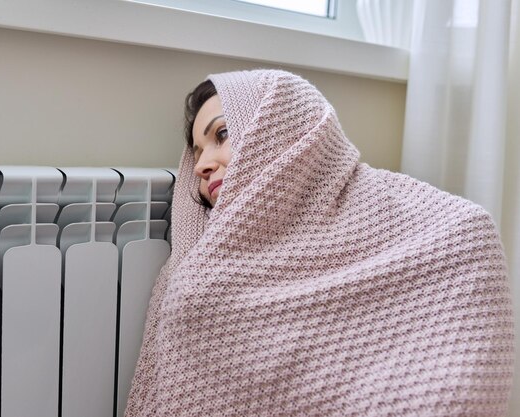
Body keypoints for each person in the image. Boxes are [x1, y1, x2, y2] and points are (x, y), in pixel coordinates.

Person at [125, 69, 515, 417]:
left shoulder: (449, 230)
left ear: (280, 132)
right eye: (196, 151)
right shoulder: (202, 262)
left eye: (221, 135)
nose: (201, 165)